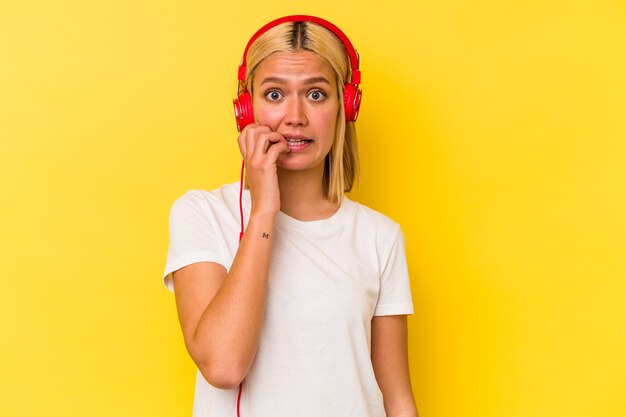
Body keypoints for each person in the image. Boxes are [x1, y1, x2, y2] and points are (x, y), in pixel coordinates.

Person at [163, 15, 419, 417]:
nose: (295, 116)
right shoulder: (201, 215)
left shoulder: (379, 237)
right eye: (274, 94)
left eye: (316, 94)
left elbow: (396, 397)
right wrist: (265, 210)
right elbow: (224, 365)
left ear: (346, 107)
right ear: (246, 109)